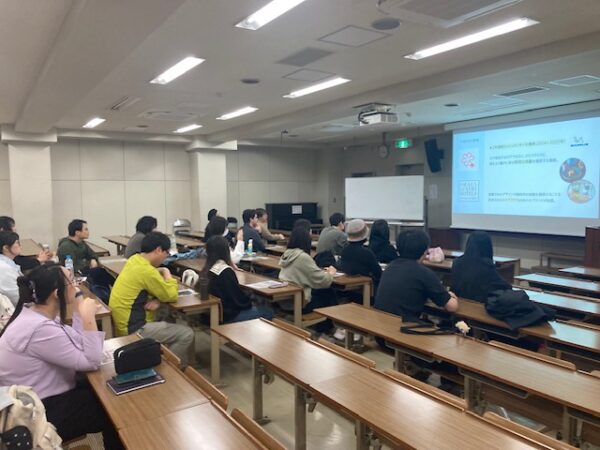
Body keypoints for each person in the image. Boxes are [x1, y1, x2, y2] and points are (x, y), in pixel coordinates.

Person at [0, 264, 123, 449]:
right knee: (113, 409)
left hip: (38, 397)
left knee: (107, 387)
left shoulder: (35, 313)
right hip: (40, 412)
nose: (76, 286)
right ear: (57, 294)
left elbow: (78, 344)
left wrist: (78, 310)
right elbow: (91, 361)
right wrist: (88, 318)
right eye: (72, 281)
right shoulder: (39, 329)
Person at [109, 232, 194, 366]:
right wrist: (166, 272)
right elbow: (171, 295)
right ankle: (168, 368)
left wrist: (159, 301)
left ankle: (167, 358)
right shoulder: (147, 271)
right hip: (133, 328)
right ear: (158, 250)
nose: (166, 257)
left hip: (121, 321)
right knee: (187, 333)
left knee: (165, 313)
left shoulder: (134, 260)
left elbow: (151, 288)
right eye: (166, 253)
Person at [375, 230, 458, 322]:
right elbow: (452, 307)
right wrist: (451, 296)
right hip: (403, 325)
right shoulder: (424, 273)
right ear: (425, 251)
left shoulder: (390, 267)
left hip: (380, 321)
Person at [201, 236, 273, 323]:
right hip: (228, 316)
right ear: (226, 251)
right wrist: (251, 299)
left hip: (212, 315)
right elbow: (238, 300)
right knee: (268, 311)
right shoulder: (225, 271)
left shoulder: (207, 269)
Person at [279, 226, 337, 313]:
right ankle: (331, 320)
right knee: (329, 293)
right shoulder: (303, 257)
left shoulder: (287, 254)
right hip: (301, 302)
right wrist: (330, 273)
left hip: (286, 300)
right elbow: (322, 280)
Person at [451, 231, 511, 303]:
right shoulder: (486, 265)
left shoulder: (457, 262)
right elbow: (505, 286)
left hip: (458, 301)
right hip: (479, 304)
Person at [339, 219, 382, 286]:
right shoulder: (367, 253)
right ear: (365, 234)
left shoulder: (344, 250)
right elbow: (378, 273)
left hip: (351, 287)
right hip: (367, 287)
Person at [0, 231, 23, 306]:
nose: (20, 246)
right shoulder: (3, 268)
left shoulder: (7, 263)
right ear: (6, 248)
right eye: (17, 243)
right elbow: (15, 296)